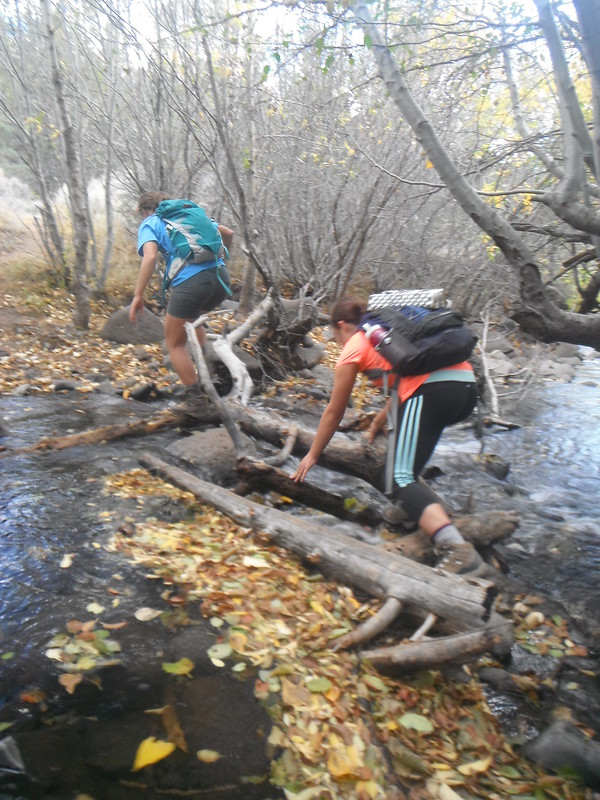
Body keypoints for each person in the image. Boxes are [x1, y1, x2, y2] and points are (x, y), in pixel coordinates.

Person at [291, 295, 485, 576]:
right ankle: (411, 512)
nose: (337, 342)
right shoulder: (390, 339)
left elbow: (334, 411)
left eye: (335, 335)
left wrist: (312, 454)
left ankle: (456, 549)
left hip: (432, 393)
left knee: (396, 478)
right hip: (465, 390)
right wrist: (377, 423)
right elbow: (399, 389)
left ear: (342, 325)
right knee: (406, 466)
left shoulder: (356, 345)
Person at [129, 191, 234, 403]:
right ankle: (206, 375)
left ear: (144, 211)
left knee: (174, 344)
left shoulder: (150, 222)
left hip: (192, 283)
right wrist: (217, 261)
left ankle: (195, 400)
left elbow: (149, 257)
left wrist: (138, 295)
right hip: (220, 279)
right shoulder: (187, 216)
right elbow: (228, 233)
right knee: (194, 321)